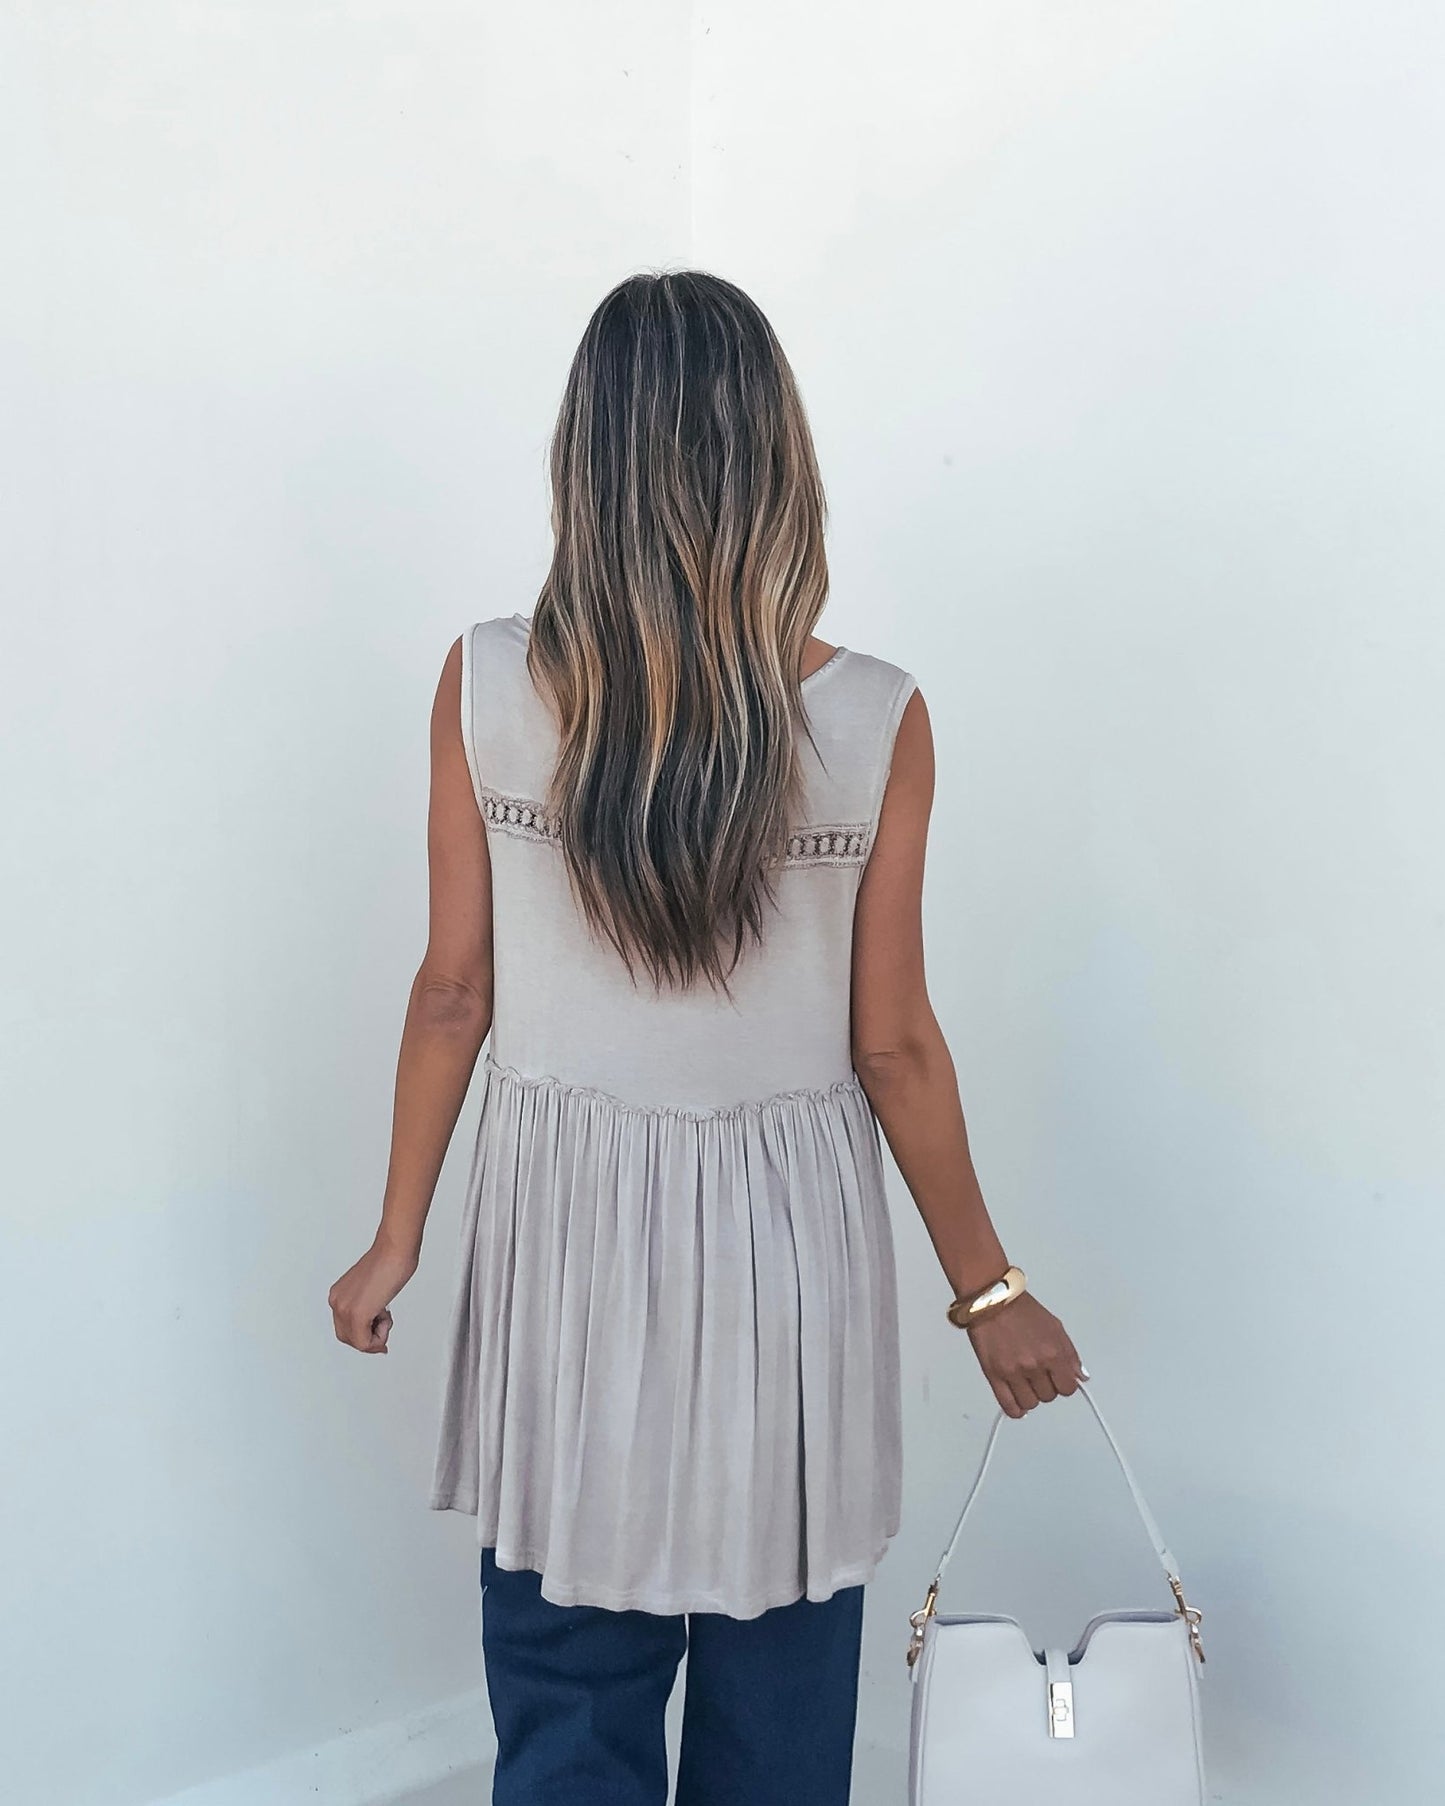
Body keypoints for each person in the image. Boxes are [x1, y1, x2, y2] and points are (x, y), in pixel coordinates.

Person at [328, 270, 1084, 1806]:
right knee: (782, 1678)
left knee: (567, 1683)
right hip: (781, 1257)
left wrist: (395, 1232)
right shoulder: (874, 717)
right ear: (776, 460)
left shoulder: (485, 683)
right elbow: (894, 1049)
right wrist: (985, 1286)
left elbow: (451, 992)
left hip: (566, 1245)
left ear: (582, 462)